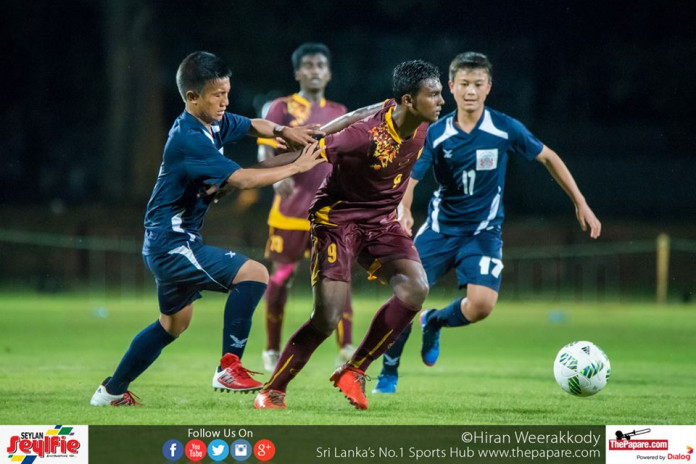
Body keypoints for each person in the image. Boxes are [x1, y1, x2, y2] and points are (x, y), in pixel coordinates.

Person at [90, 51, 326, 406]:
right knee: (255, 273)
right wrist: (297, 167)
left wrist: (283, 131)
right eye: (218, 94)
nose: (225, 101)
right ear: (192, 97)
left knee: (172, 325)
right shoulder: (190, 138)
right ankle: (229, 366)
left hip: (168, 242)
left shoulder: (212, 121)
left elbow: (250, 124)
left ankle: (111, 392)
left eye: (227, 92)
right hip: (172, 244)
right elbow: (242, 178)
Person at [372, 51, 602, 394]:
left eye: (477, 84)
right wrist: (403, 209)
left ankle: (434, 321)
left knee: (481, 306)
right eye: (463, 84)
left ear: (488, 87)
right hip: (439, 230)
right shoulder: (435, 133)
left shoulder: (504, 127)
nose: (470, 91)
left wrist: (581, 202)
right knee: (405, 295)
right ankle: (388, 371)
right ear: (450, 86)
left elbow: (548, 157)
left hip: (483, 233)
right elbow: (411, 179)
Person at [253, 60, 445, 410]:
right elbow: (301, 156)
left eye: (440, 93)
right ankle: (272, 390)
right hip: (336, 221)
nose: (441, 101)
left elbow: (361, 109)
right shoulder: (362, 138)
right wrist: (238, 176)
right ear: (409, 100)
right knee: (328, 318)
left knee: (416, 288)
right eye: (433, 95)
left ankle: (354, 369)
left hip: (380, 222)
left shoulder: (416, 123)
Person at [257, 43, 355, 372]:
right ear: (298, 72)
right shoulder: (281, 108)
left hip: (329, 213)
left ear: (328, 73)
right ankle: (271, 349)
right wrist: (274, 179)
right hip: (289, 213)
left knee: (338, 280)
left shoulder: (340, 111)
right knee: (281, 279)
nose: (314, 70)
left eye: (320, 65)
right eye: (308, 65)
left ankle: (347, 350)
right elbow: (264, 153)